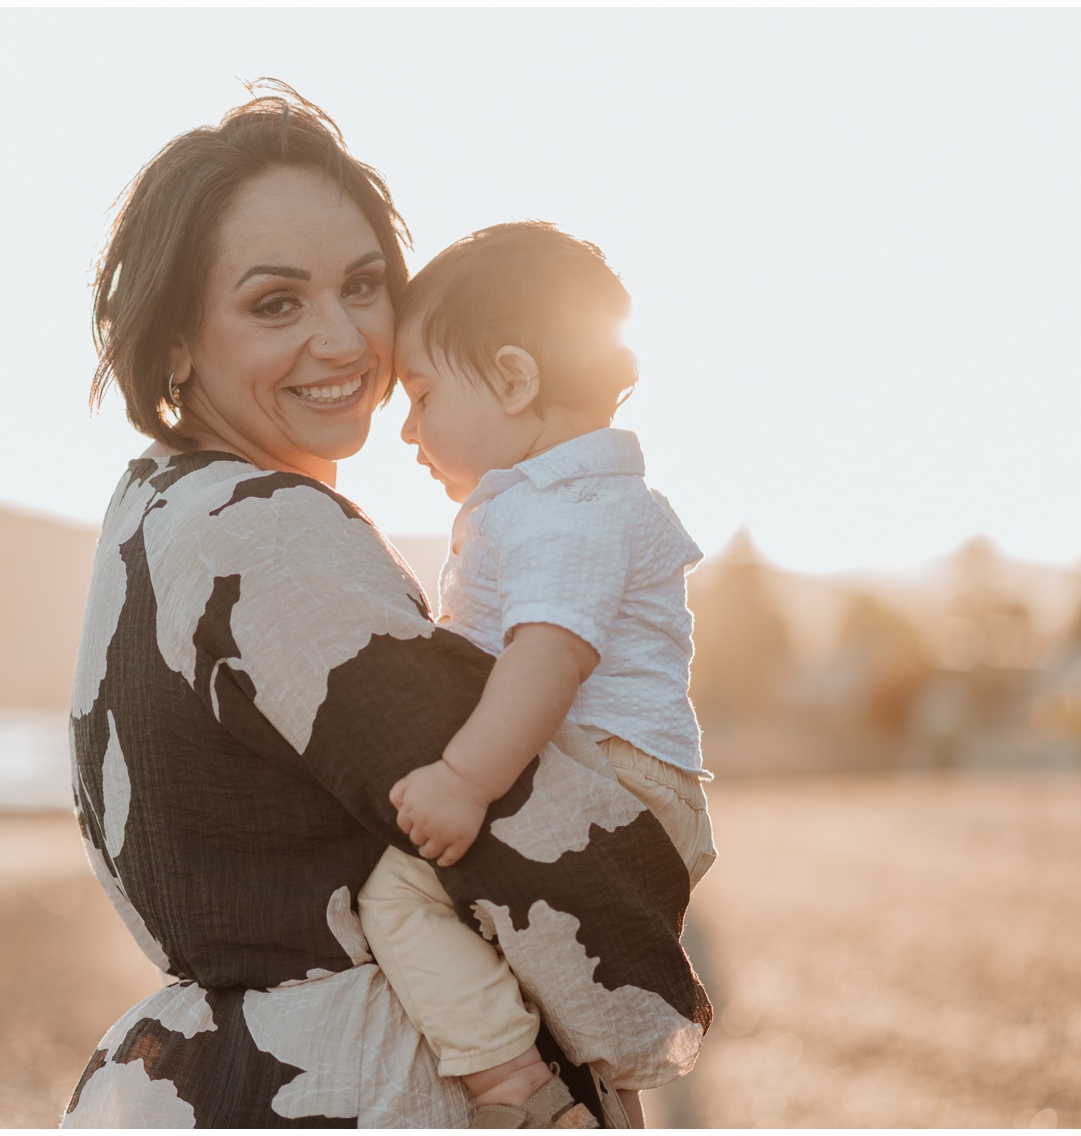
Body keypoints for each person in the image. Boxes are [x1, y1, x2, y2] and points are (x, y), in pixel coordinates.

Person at [64, 83, 709, 1129]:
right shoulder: (259, 530)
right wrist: (623, 1042)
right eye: (275, 303)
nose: (345, 340)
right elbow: (516, 833)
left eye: (363, 285)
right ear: (175, 344)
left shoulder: (156, 503)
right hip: (343, 1090)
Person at [356, 222, 718, 1127]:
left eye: (423, 393)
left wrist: (464, 781)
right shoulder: (570, 499)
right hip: (616, 774)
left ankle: (511, 1089)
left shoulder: (567, 508)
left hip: (606, 773)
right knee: (549, 973)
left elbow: (550, 656)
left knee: (396, 893)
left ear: (515, 380)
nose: (405, 429)